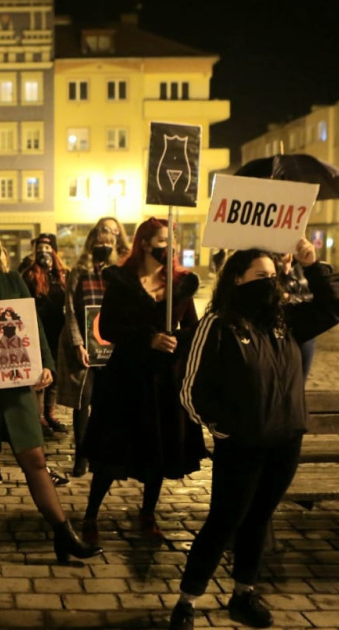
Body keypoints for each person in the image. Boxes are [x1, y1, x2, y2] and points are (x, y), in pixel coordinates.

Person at [168, 240, 339, 630]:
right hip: (243, 444)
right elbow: (190, 389)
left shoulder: (285, 320)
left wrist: (313, 264)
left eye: (272, 275)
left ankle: (243, 593)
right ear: (237, 279)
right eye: (259, 276)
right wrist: (223, 428)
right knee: (225, 520)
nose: (268, 282)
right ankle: (187, 599)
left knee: (260, 518)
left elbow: (336, 306)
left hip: (286, 440)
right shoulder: (218, 324)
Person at [0, 221, 101, 564]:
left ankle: (63, 533)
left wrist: (44, 365)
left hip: (15, 387)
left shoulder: (13, 281)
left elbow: (33, 325)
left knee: (35, 459)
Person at [78, 218, 207, 547]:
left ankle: (148, 513)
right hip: (127, 378)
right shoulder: (122, 281)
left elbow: (192, 327)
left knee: (157, 451)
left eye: (173, 240)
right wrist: (147, 338)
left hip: (164, 379)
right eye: (164, 240)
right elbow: (107, 328)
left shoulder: (180, 284)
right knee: (111, 451)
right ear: (146, 244)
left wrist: (177, 339)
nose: (170, 246)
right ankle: (91, 513)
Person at [56, 225, 119, 478]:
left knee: (105, 404)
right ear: (91, 243)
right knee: (82, 402)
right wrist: (78, 343)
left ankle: (100, 454)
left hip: (110, 346)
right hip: (84, 344)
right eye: (100, 241)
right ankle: (81, 455)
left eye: (109, 241)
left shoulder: (117, 273)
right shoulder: (79, 272)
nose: (104, 245)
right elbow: (70, 309)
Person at [22, 233, 69, 436]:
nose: (44, 252)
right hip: (36, 330)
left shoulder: (63, 274)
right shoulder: (29, 275)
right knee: (39, 374)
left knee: (54, 374)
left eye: (48, 248)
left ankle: (50, 413)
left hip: (58, 329)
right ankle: (37, 416)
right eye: (40, 248)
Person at [280, 252, 316, 377]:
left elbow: (314, 296)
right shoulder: (266, 264)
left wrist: (289, 297)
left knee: (300, 377)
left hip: (302, 328)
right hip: (276, 329)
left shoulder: (303, 267)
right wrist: (283, 273)